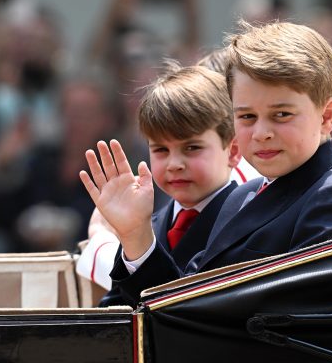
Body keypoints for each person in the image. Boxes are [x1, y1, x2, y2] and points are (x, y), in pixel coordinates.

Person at [80, 20, 332, 306]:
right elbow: (180, 304)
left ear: (326, 116)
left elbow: (312, 328)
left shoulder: (330, 200)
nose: (261, 133)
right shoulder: (242, 196)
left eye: (281, 114)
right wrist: (136, 235)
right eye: (246, 117)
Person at [92, 62, 242, 305]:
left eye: (192, 148)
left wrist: (138, 240)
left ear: (233, 150)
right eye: (161, 149)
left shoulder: (247, 219)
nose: (174, 164)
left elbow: (182, 309)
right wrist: (132, 233)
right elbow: (117, 310)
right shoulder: (150, 223)